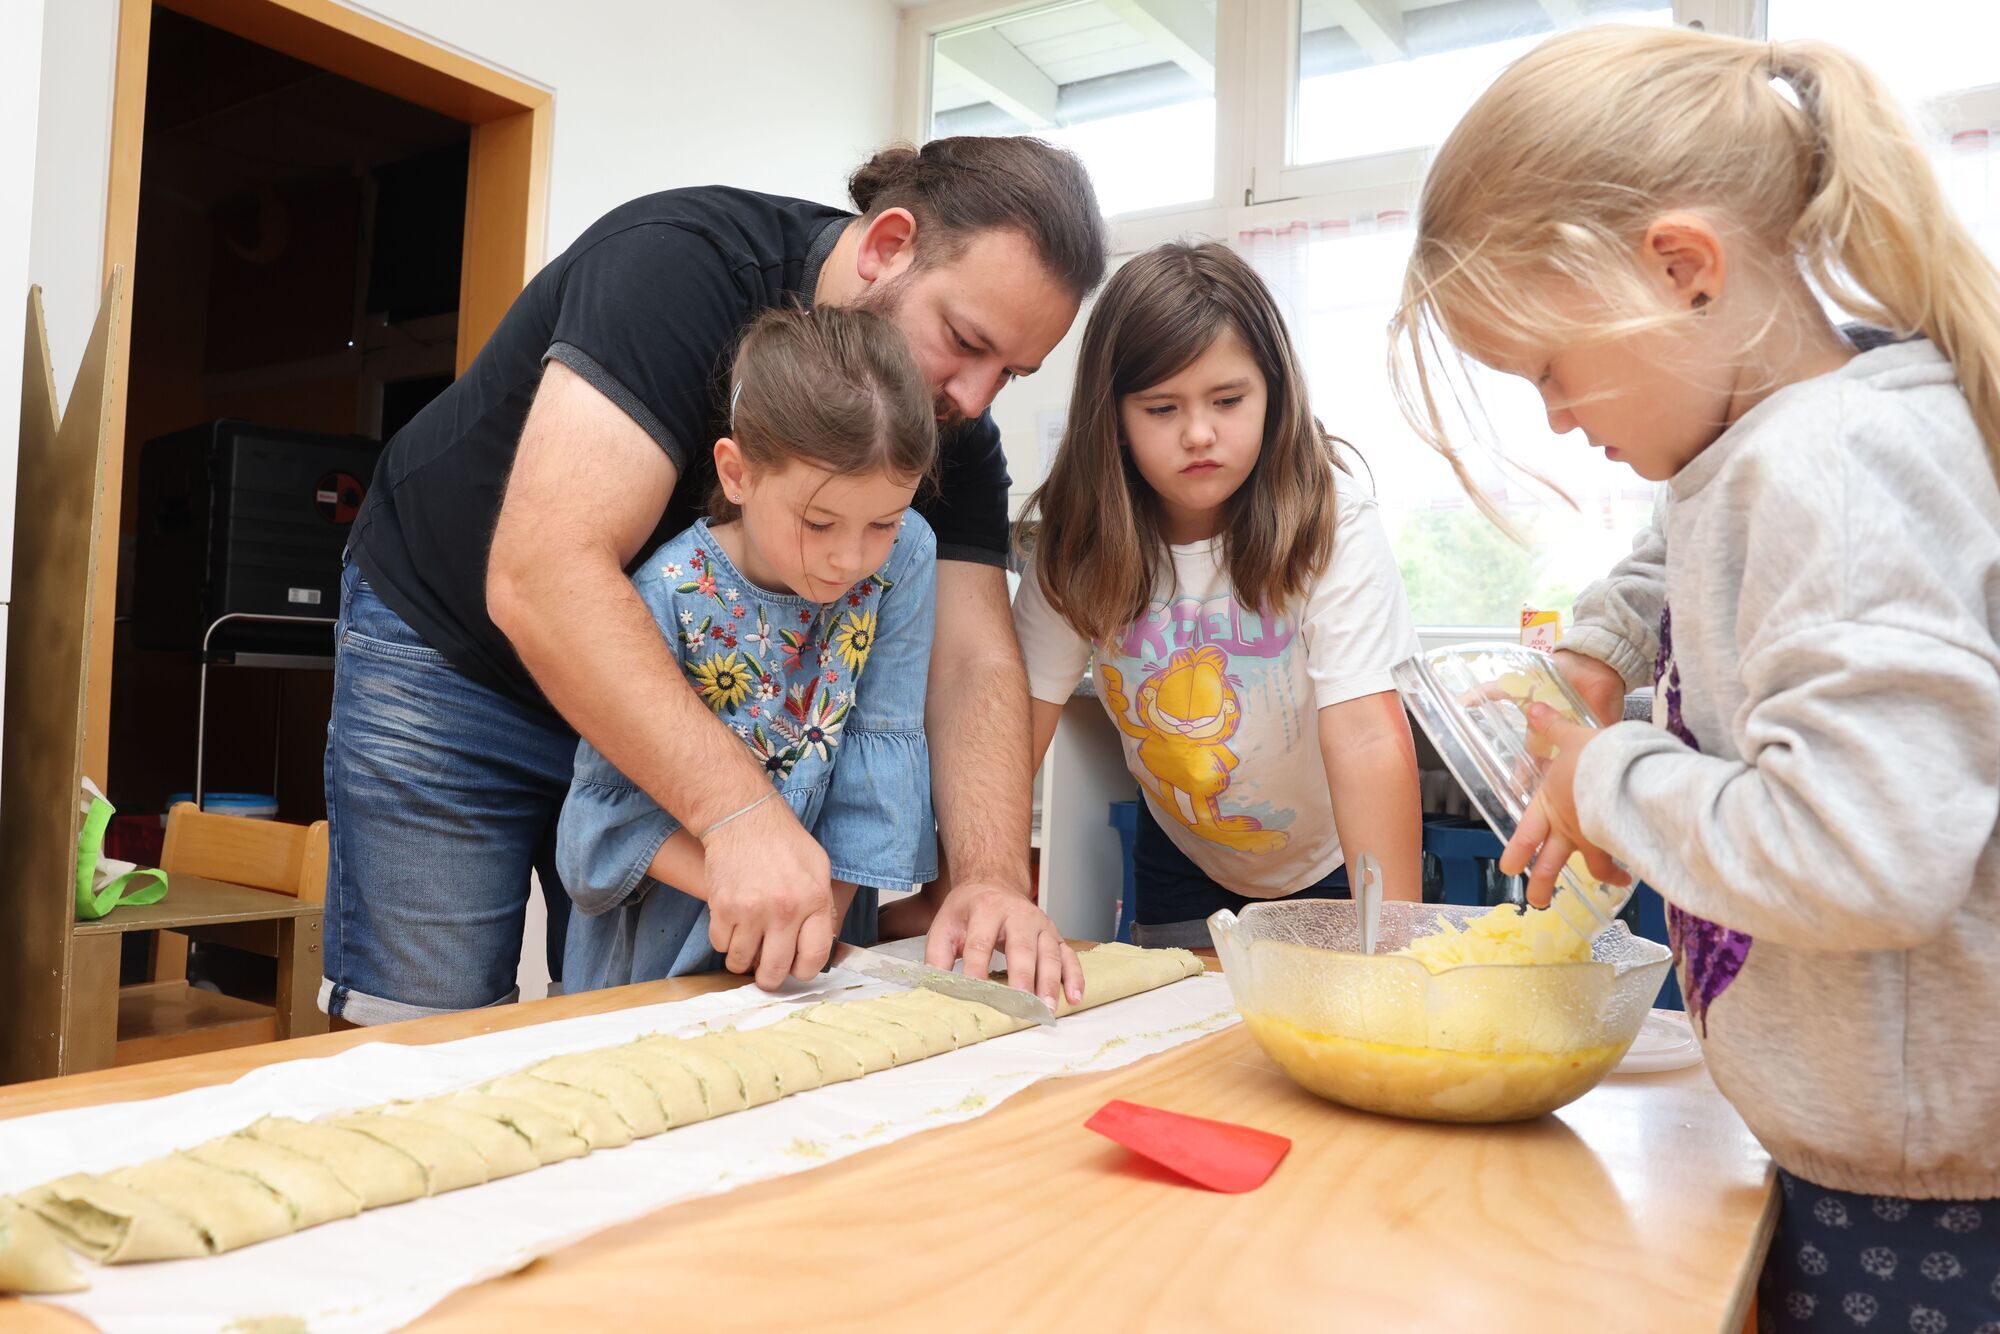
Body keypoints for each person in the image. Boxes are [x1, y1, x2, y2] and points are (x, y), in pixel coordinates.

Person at [1391, 26, 2000, 1330]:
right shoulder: (1771, 431)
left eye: (1548, 368)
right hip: (1870, 1152)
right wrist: (1594, 663)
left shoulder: (1839, 466)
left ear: (1681, 269)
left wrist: (1604, 779)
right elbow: (1678, 543)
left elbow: (1863, 854)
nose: (1553, 414)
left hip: (1940, 1202)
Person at [324, 137, 1105, 1025]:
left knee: (627, 1024)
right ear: (888, 245)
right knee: (429, 1033)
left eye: (1012, 373)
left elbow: (972, 661)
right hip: (457, 662)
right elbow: (547, 574)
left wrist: (992, 878)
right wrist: (740, 815)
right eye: (966, 342)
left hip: (665, 701)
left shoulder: (944, 421)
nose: (975, 397)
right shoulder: (676, 268)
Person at [1011, 242, 1423, 948]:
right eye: (1162, 408)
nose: (1199, 433)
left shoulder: (1331, 519)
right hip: (1183, 856)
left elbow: (1366, 733)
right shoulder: (1078, 544)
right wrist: (981, 878)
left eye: (1228, 401)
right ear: (1113, 419)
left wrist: (1393, 940)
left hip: (1336, 858)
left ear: (1273, 393)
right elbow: (1015, 723)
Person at [559, 305, 939, 991]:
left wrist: (813, 924)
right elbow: (602, 824)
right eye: (819, 522)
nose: (849, 559)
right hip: (660, 965)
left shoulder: (906, 557)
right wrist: (757, 889)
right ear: (737, 473)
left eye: (882, 520)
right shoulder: (667, 593)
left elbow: (875, 765)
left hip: (813, 956)